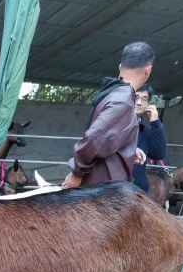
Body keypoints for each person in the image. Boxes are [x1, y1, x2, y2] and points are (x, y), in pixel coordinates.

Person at [63, 41, 155, 189]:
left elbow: (106, 136)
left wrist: (128, 150)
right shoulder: (123, 101)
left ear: (120, 67)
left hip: (102, 190)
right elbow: (94, 138)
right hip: (101, 195)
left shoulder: (114, 93)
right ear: (148, 70)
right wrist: (77, 173)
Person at [132, 83, 167, 193]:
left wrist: (156, 123)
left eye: (144, 99)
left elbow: (158, 154)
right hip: (114, 193)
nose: (139, 103)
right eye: (136, 97)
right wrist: (130, 150)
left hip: (138, 192)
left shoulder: (145, 129)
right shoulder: (113, 123)